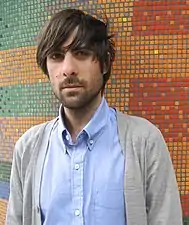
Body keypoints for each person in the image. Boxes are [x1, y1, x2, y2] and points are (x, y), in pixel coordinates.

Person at [6, 8, 183, 225]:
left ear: (105, 63)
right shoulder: (28, 148)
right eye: (56, 56)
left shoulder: (144, 141)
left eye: (81, 53)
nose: (68, 69)